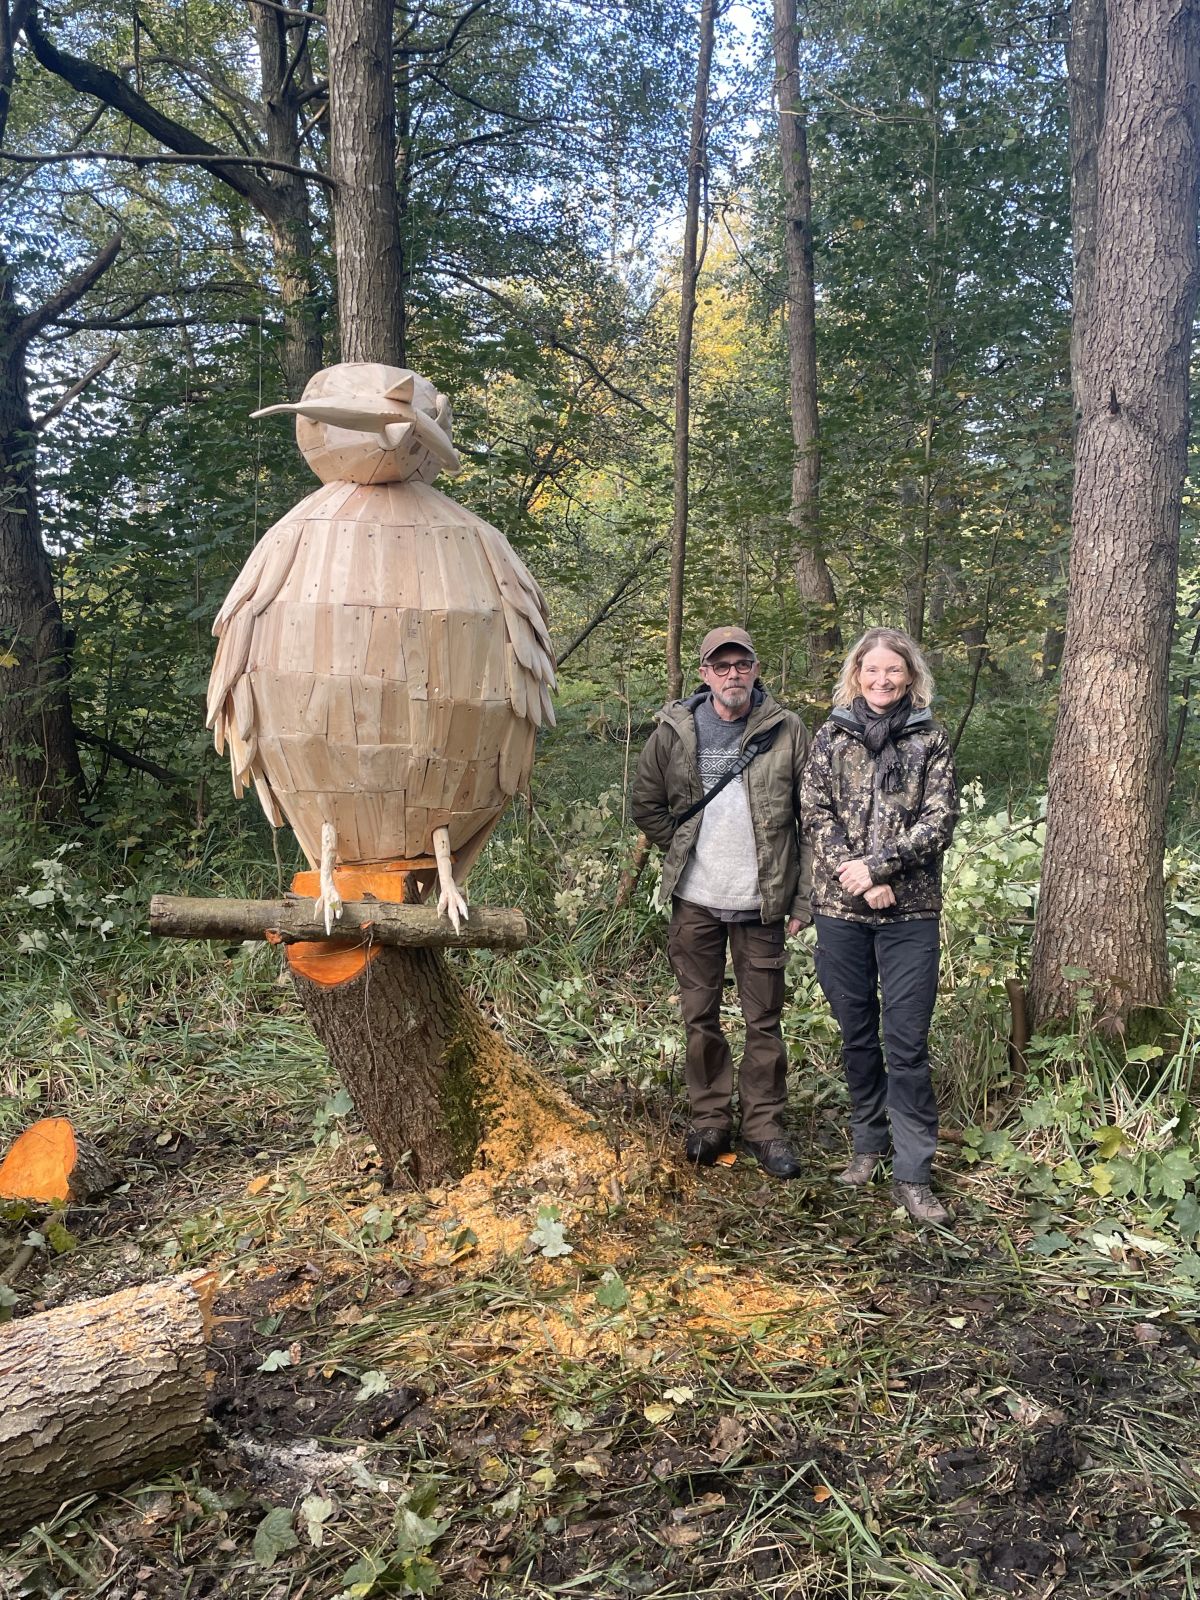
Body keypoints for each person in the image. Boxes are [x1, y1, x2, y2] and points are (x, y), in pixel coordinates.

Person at [631, 626, 811, 1178]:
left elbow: (814, 820)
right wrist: (684, 848)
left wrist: (802, 897)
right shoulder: (673, 730)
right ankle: (709, 1120)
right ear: (704, 673)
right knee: (699, 1015)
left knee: (764, 1020)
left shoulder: (787, 730)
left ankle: (764, 1126)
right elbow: (646, 803)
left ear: (756, 670)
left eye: (742, 664)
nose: (733, 674)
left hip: (763, 902)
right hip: (696, 901)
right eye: (721, 665)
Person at [801, 627, 958, 1225]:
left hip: (909, 913)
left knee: (907, 1044)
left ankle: (914, 1173)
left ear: (911, 676)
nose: (883, 680)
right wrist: (858, 875)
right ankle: (868, 1146)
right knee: (857, 1036)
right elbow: (812, 810)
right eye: (872, 671)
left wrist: (880, 867)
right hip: (840, 910)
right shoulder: (832, 735)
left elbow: (939, 820)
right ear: (856, 675)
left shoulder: (930, 739)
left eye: (894, 671)